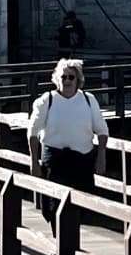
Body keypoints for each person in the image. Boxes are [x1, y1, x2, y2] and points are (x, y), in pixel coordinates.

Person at [27, 57, 108, 193]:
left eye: (71, 77)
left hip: (82, 162)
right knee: (52, 209)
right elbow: (33, 133)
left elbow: (102, 131)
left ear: (78, 80)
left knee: (83, 207)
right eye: (63, 77)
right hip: (54, 162)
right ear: (57, 79)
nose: (67, 81)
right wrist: (34, 162)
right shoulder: (47, 100)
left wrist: (101, 157)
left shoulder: (89, 100)